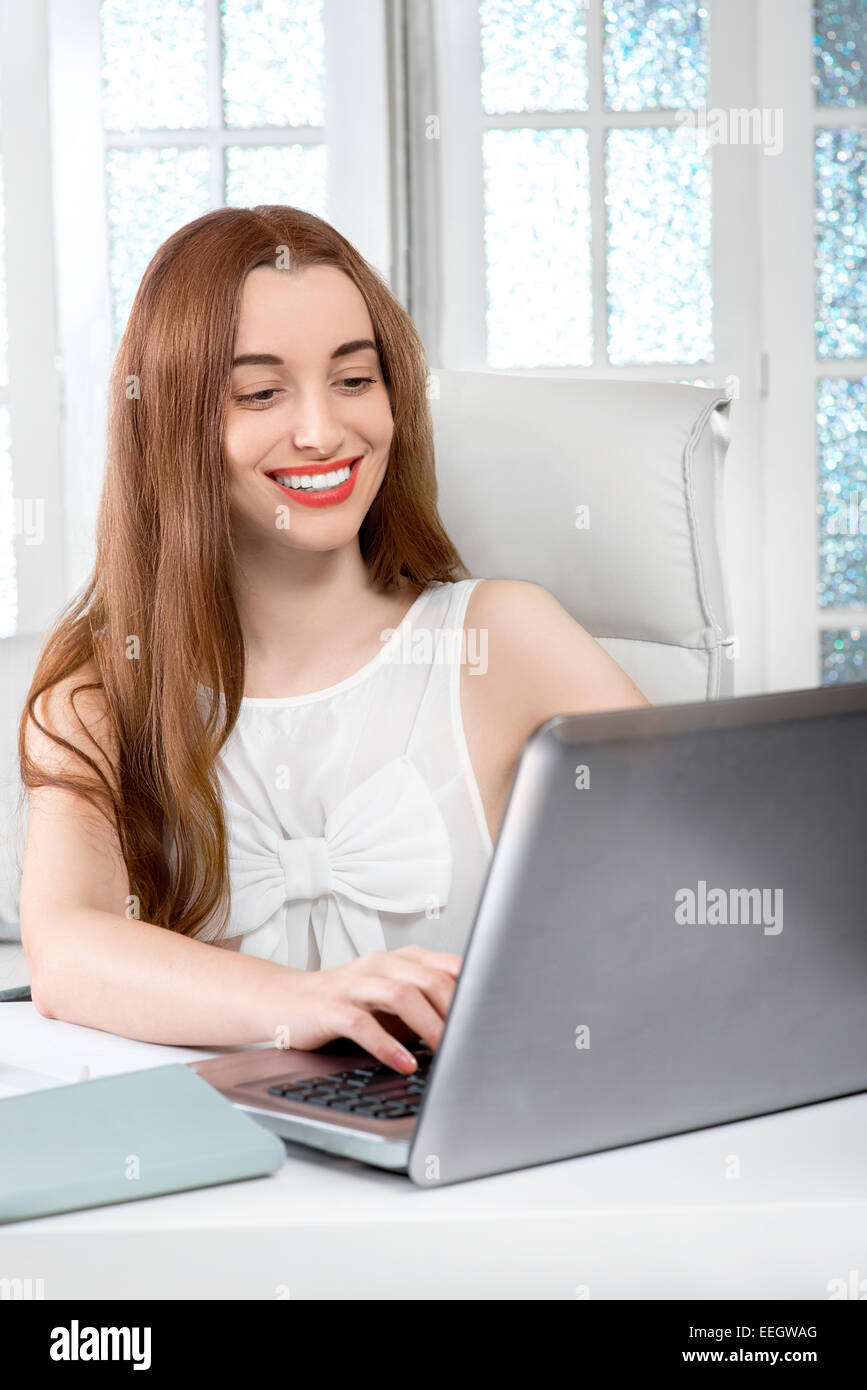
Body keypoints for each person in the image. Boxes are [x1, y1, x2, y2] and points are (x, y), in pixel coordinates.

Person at [18, 205, 649, 1072]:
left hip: (484, 1160)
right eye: (259, 393)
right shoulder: (100, 695)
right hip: (224, 1170)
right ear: (171, 423)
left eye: (354, 380)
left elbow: (701, 879)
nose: (322, 432)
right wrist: (304, 1002)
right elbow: (65, 952)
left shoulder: (505, 636)